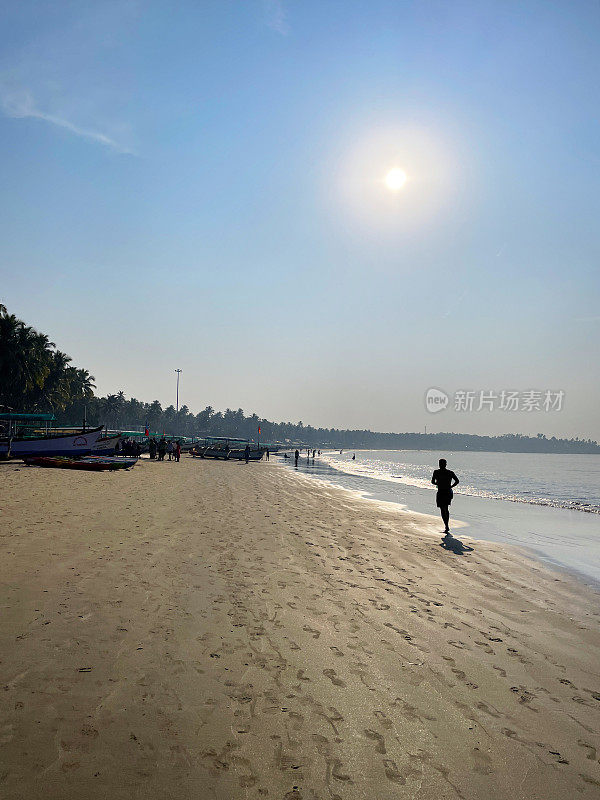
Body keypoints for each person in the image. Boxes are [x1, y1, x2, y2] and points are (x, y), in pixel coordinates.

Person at [431, 458, 459, 535]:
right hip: (448, 491)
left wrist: (438, 483)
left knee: (443, 509)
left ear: (439, 464)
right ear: (446, 464)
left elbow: (432, 482)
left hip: (441, 491)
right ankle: (446, 525)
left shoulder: (436, 472)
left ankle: (446, 525)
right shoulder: (450, 472)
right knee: (445, 508)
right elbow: (457, 481)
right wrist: (451, 486)